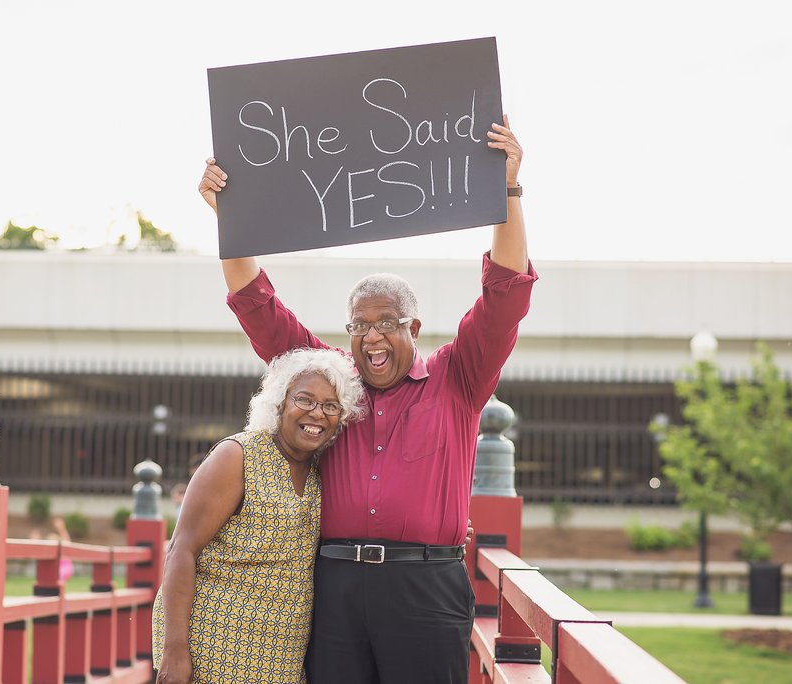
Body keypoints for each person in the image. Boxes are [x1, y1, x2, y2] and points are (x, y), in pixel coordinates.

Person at [197, 115, 536, 683]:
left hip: (426, 589)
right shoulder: (327, 379)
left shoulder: (459, 376)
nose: (371, 337)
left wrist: (508, 190)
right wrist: (230, 217)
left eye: (385, 323)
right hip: (335, 586)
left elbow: (506, 293)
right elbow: (258, 306)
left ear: (414, 327)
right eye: (359, 325)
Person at [152, 347, 366, 684]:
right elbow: (181, 549)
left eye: (330, 406)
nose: (317, 413)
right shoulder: (238, 455)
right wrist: (174, 648)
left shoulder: (319, 470)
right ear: (280, 402)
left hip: (282, 653)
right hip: (215, 642)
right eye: (305, 400)